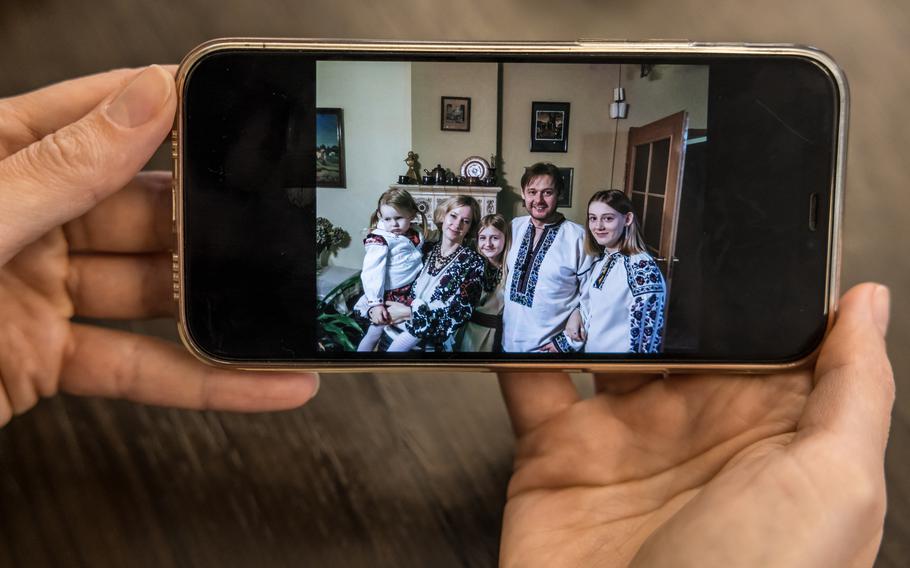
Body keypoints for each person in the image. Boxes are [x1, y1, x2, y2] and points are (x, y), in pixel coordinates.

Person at [0, 68, 895, 567]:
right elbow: (443, 273)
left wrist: (563, 324)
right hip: (509, 337)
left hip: (542, 343)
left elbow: (580, 293)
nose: (549, 206)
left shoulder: (564, 249)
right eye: (538, 195)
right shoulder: (451, 242)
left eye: (561, 199)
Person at [560, 189, 666, 353]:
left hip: (619, 371)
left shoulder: (642, 269)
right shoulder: (603, 259)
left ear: (627, 219)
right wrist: (576, 315)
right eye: (593, 219)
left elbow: (647, 340)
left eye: (608, 218)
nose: (598, 226)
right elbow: (590, 309)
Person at [501, 162, 592, 352]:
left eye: (547, 192)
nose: (538, 200)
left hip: (549, 352)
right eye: (532, 192)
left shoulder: (579, 237)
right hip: (507, 346)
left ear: (560, 194)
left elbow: (592, 296)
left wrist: (567, 343)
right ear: (523, 194)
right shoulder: (513, 228)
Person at [383, 195, 485, 352]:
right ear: (443, 216)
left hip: (427, 348)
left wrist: (409, 312)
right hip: (388, 331)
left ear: (470, 227)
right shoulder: (423, 249)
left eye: (465, 221)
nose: (457, 224)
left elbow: (458, 315)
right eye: (453, 216)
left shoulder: (473, 263)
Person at [353, 188, 427, 352]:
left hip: (409, 290)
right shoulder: (381, 240)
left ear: (412, 215)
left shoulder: (415, 233)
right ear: (381, 217)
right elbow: (372, 272)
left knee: (410, 328)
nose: (393, 224)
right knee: (374, 334)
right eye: (388, 219)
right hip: (388, 295)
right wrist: (376, 304)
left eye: (399, 218)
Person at [457, 213, 510, 352]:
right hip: (471, 332)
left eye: (495, 238)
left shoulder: (509, 268)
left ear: (506, 238)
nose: (488, 244)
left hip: (500, 333)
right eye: (483, 238)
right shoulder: (472, 265)